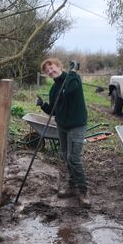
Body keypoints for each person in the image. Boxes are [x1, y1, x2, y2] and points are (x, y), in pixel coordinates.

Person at [36, 58, 91, 208]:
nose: (50, 71)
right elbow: (53, 110)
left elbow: (71, 90)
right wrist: (43, 105)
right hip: (62, 126)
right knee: (66, 157)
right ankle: (71, 186)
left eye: (52, 68)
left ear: (59, 66)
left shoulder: (73, 79)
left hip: (76, 125)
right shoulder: (54, 89)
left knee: (74, 159)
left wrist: (73, 71)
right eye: (47, 71)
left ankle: (83, 190)